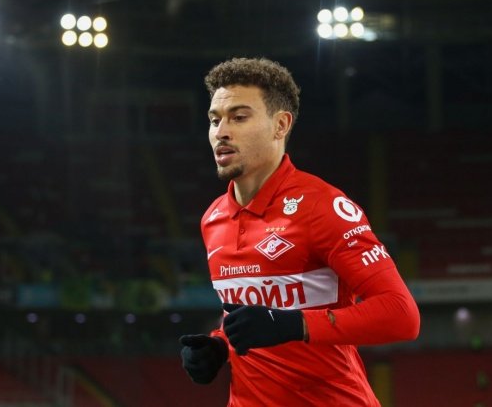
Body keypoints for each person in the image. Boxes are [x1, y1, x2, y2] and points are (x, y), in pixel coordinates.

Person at [179, 57, 420, 406]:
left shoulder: (322, 206)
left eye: (239, 117)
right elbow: (250, 311)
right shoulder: (213, 218)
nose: (221, 132)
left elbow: (401, 315)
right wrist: (220, 344)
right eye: (215, 120)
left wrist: (296, 325)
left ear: (280, 125)